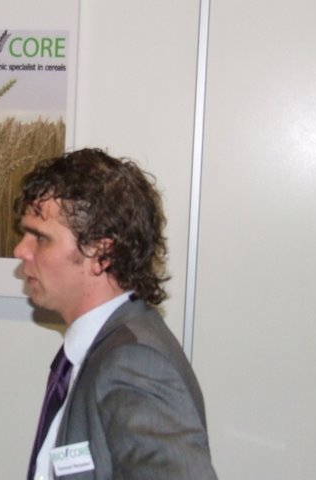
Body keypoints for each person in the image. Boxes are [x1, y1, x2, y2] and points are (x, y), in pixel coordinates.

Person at [13, 149, 217, 479]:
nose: (21, 250)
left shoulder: (133, 362)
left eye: (40, 238)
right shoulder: (101, 348)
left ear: (101, 252)